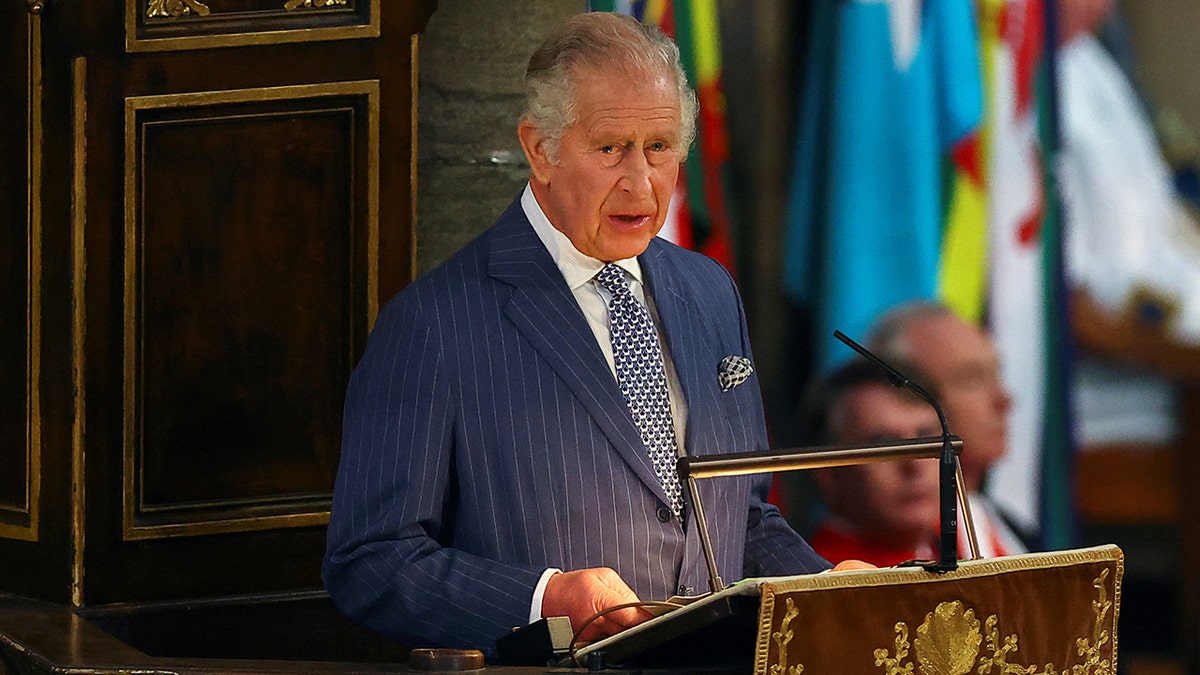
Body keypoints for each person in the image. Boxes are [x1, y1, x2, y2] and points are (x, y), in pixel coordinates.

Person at [322, 12, 854, 657]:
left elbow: (737, 516)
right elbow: (371, 560)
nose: (640, 182)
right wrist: (546, 600)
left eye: (659, 147)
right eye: (610, 149)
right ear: (539, 149)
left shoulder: (709, 291)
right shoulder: (433, 325)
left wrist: (823, 591)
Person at [867, 301, 1030, 557]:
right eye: (972, 379)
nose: (1004, 400)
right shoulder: (905, 549)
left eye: (996, 375)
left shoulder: (1001, 524)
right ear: (906, 398)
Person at [800, 360, 943, 567]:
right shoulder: (818, 581)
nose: (914, 463)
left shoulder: (967, 539)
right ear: (829, 473)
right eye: (884, 445)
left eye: (926, 437)